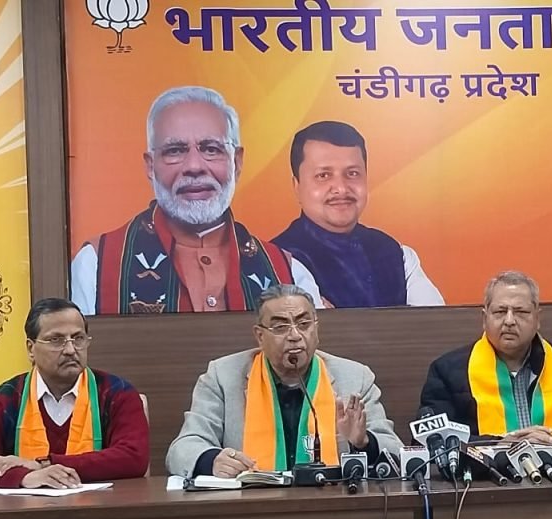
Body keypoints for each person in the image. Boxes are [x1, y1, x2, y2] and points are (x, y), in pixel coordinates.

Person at [71, 85, 323, 315]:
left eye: (211, 149)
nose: (194, 166)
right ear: (150, 166)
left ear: (237, 162)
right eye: (175, 151)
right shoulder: (98, 264)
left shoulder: (289, 272)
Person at [166, 284, 402, 478]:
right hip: (248, 506)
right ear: (260, 336)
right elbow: (182, 449)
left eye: (304, 324)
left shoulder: (355, 377)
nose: (295, 336)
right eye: (280, 327)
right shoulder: (223, 376)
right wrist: (211, 461)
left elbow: (396, 452)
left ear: (316, 329)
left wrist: (364, 443)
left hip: (333, 505)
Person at [418, 271, 552, 444]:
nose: (510, 321)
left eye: (521, 312)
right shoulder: (447, 371)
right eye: (500, 311)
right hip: (486, 474)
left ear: (537, 319)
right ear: (484, 318)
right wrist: (499, 445)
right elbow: (432, 441)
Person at [272, 121, 443, 308]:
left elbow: (436, 321)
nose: (341, 188)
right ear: (296, 186)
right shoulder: (279, 262)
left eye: (352, 173)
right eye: (323, 175)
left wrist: (337, 321)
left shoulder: (396, 254)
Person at [0, 298, 149, 488]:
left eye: (78, 338)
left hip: (101, 506)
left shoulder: (117, 393)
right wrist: (26, 477)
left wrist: (43, 464)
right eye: (56, 340)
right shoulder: (3, 399)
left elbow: (134, 458)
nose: (70, 350)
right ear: (30, 348)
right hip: (24, 507)